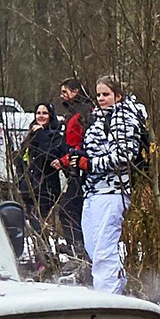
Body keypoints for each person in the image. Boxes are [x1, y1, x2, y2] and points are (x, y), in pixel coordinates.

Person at [81, 75, 148, 297]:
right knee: (93, 248)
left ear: (118, 96)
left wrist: (91, 164)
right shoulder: (101, 118)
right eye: (98, 94)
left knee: (104, 250)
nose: (101, 98)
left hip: (112, 191)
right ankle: (111, 288)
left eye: (106, 94)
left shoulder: (123, 118)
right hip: (93, 190)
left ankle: (108, 298)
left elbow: (123, 156)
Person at [54, 79, 92, 260]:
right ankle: (77, 249)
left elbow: (80, 143)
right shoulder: (72, 113)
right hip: (73, 168)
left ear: (75, 91)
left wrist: (66, 160)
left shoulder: (83, 113)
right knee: (71, 209)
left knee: (68, 209)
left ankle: (79, 250)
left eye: (65, 91)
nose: (62, 95)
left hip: (81, 169)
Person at [22, 102, 67, 227]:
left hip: (47, 189)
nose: (41, 116)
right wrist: (22, 181)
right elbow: (21, 159)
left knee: (42, 224)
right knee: (32, 224)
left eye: (45, 113)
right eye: (38, 113)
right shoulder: (31, 136)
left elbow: (51, 156)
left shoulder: (56, 137)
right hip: (29, 188)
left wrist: (41, 134)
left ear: (51, 116)